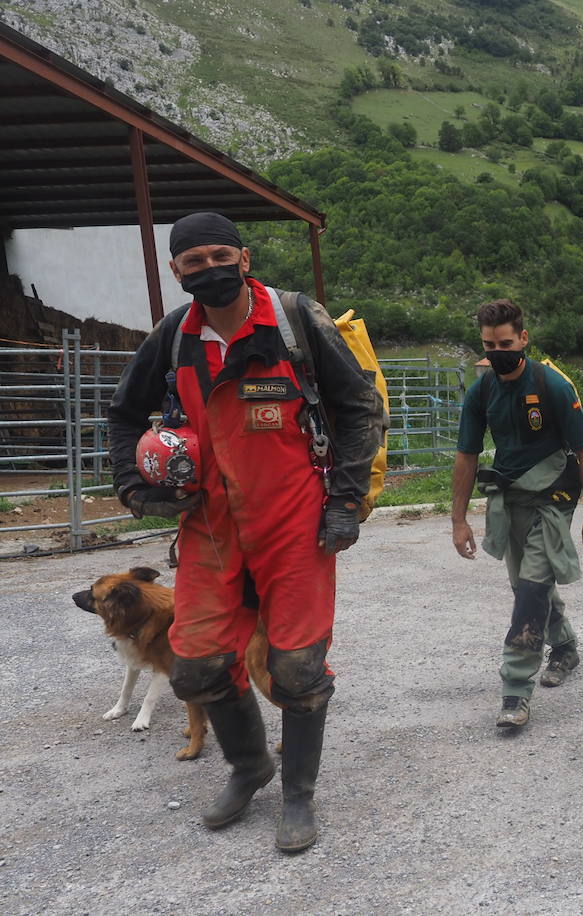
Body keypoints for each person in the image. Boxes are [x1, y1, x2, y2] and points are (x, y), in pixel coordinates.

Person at [107, 211, 386, 852]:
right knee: (196, 667)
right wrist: (132, 483)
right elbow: (124, 414)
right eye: (193, 262)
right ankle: (249, 767)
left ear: (245, 256)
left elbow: (356, 407)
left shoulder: (294, 320)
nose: (209, 269)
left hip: (295, 523)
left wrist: (344, 501)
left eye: (218, 256)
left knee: (296, 667)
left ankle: (297, 795)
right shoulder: (175, 335)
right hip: (209, 523)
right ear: (175, 272)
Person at [450, 299, 583, 728]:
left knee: (533, 588)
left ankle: (515, 691)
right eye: (487, 344)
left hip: (554, 497)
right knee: (524, 585)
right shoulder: (481, 391)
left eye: (504, 343)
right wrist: (458, 519)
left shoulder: (552, 385)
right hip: (511, 497)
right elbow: (466, 455)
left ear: (523, 338)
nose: (497, 352)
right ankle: (566, 646)